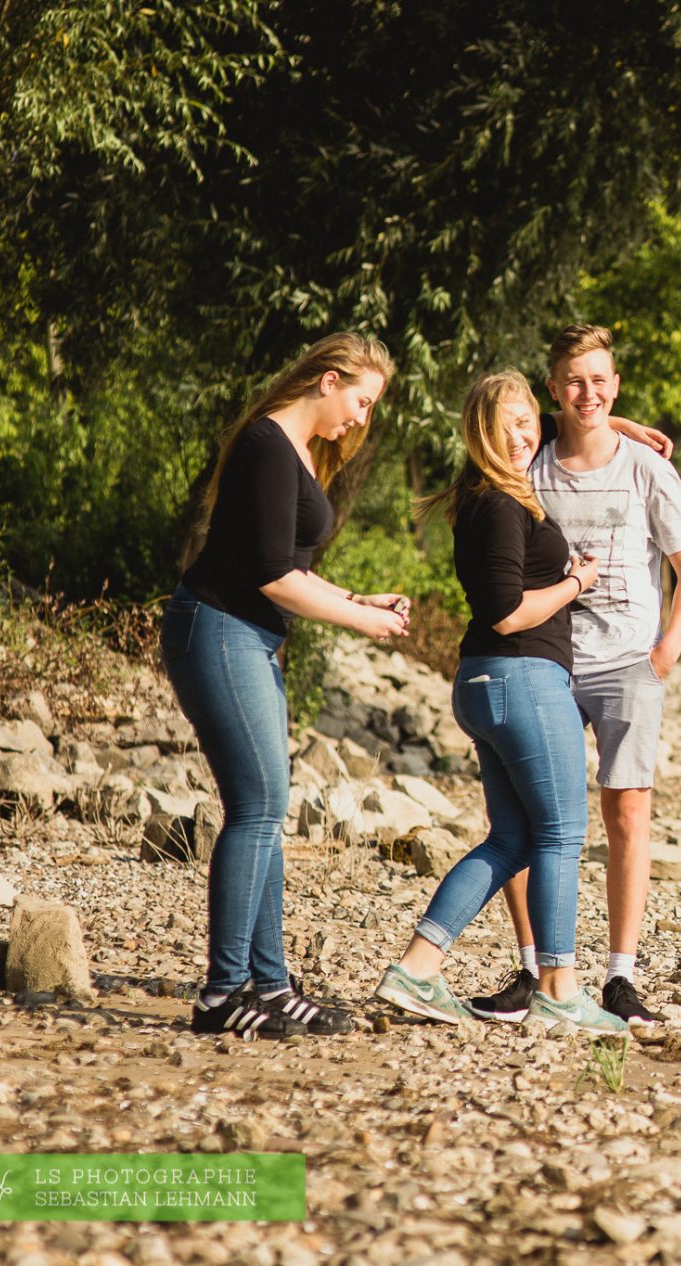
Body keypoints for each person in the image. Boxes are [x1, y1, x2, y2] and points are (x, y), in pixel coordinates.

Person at [163, 333, 407, 1040]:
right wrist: (361, 621)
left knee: (266, 806)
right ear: (328, 381)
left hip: (249, 637)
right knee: (259, 807)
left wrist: (363, 597)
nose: (361, 419)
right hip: (218, 630)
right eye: (361, 402)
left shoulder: (295, 452)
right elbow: (275, 579)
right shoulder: (268, 445)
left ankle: (268, 987)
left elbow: (291, 566)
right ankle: (223, 993)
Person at [467, 324, 681, 1029]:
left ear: (617, 383)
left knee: (626, 810)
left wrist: (666, 651)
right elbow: (495, 421)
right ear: (554, 389)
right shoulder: (528, 458)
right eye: (574, 380)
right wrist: (575, 421)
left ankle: (620, 977)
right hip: (543, 661)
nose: (589, 393)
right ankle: (534, 966)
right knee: (525, 816)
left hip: (629, 663)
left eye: (601, 380)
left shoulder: (646, 468)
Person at [374, 371, 628, 1036]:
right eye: (505, 425)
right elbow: (510, 612)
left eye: (527, 421)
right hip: (522, 678)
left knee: (514, 838)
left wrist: (618, 429)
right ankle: (559, 989)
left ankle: (416, 969)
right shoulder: (499, 503)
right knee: (562, 835)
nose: (522, 435)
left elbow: (568, 442)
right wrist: (576, 582)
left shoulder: (493, 496)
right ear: (481, 434)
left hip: (491, 683)